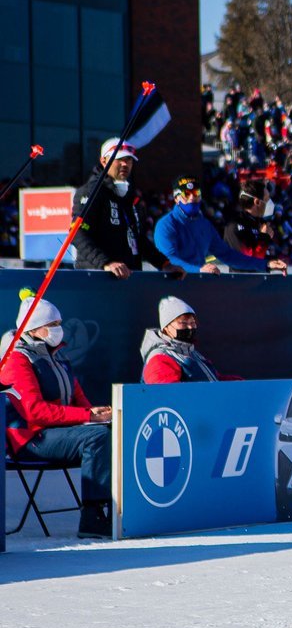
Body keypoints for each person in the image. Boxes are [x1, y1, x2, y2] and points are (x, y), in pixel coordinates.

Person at [3, 294, 113, 535]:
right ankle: (93, 516)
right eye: (52, 325)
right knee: (96, 437)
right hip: (30, 440)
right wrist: (88, 416)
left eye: (59, 324)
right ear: (34, 329)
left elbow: (79, 399)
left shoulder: (58, 357)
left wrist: (99, 414)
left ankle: (120, 510)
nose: (59, 330)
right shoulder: (17, 360)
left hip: (58, 433)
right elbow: (34, 411)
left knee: (112, 431)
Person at [72, 138, 184, 279]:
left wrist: (164, 264)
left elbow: (137, 238)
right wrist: (106, 263)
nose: (125, 164)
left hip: (129, 277)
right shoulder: (91, 192)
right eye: (119, 159)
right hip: (98, 278)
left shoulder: (129, 194)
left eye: (129, 160)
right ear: (104, 161)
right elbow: (77, 233)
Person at [154, 176, 290, 276]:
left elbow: (229, 255)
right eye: (187, 194)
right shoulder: (166, 225)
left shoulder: (204, 225)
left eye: (196, 194)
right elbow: (169, 260)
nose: (192, 199)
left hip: (198, 286)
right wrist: (198, 270)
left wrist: (265, 264)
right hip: (174, 286)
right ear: (176, 198)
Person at [141, 296, 235, 383]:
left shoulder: (191, 353)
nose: (190, 327)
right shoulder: (159, 359)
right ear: (166, 327)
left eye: (192, 322)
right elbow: (166, 395)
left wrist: (240, 384)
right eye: (183, 323)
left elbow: (214, 380)